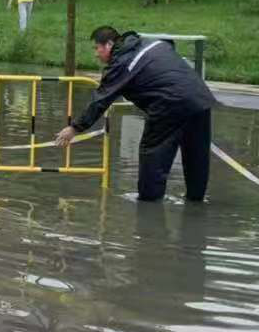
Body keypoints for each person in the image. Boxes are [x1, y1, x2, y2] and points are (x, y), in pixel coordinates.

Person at [55, 26, 217, 203]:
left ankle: (148, 210)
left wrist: (75, 128)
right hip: (201, 99)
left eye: (97, 47)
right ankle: (196, 202)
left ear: (109, 44)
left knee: (153, 155)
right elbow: (169, 48)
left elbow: (100, 100)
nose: (96, 54)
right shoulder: (151, 43)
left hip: (168, 105)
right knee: (197, 156)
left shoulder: (121, 64)